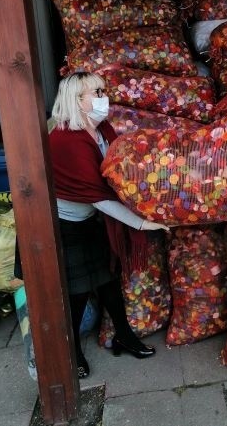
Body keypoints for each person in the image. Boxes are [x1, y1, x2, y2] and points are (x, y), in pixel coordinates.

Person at [48, 71, 169, 379]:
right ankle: (69, 351)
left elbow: (121, 170)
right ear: (77, 99)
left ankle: (124, 335)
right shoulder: (65, 139)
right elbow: (97, 196)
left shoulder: (100, 128)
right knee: (76, 293)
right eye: (96, 92)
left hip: (90, 220)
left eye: (103, 90)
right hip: (65, 225)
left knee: (107, 279)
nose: (104, 97)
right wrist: (142, 223)